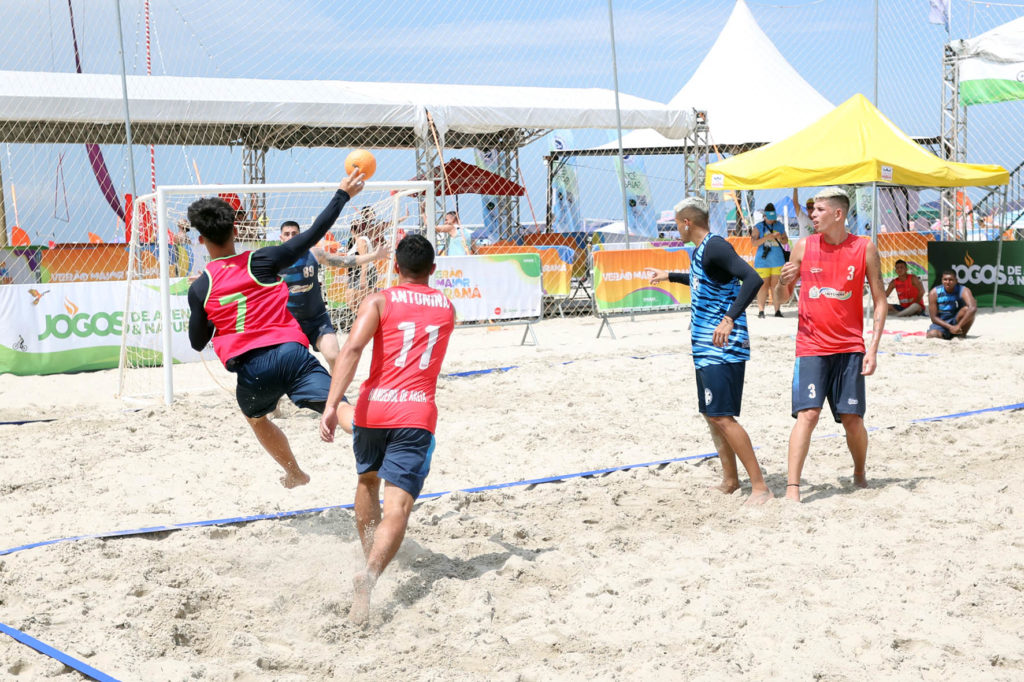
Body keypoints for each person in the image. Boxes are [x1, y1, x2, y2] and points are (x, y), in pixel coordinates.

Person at [186, 169, 365, 488]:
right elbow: (311, 235)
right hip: (293, 354)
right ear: (235, 230)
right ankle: (372, 434)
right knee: (338, 406)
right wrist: (342, 193)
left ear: (200, 239)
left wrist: (207, 307)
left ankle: (295, 472)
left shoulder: (201, 287)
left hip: (253, 371)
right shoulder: (262, 260)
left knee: (255, 418)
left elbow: (197, 342)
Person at [320, 234, 456, 625]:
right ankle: (371, 574)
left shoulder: (380, 300)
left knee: (367, 481)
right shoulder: (447, 309)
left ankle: (369, 554)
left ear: (395, 267)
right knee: (398, 506)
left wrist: (331, 406)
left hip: (374, 408)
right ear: (433, 269)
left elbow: (351, 350)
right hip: (415, 412)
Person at [646, 196, 772, 505]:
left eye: (676, 224)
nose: (675, 229)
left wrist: (729, 318)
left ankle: (760, 487)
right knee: (711, 415)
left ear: (687, 222)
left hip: (724, 347)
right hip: (705, 346)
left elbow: (752, 278)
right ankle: (731, 480)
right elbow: (705, 281)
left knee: (723, 417)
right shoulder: (703, 252)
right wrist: (670, 276)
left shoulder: (716, 246)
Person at [775, 187, 888, 503]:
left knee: (852, 420)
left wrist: (873, 349)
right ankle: (793, 489)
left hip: (850, 347)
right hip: (811, 346)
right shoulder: (802, 247)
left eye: (819, 209)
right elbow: (779, 301)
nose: (812, 214)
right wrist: (785, 283)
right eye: (812, 209)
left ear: (838, 214)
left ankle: (860, 471)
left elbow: (880, 302)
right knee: (807, 415)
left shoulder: (864, 248)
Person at [279, 219, 387, 369]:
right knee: (291, 365)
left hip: (317, 320)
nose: (291, 237)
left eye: (294, 233)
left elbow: (345, 261)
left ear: (300, 235)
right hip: (290, 322)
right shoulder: (275, 260)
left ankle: (334, 392)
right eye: (287, 234)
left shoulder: (314, 254)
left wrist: (373, 256)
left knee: (335, 357)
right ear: (281, 238)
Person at [750, 202, 789, 318]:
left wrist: (781, 237)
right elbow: (753, 243)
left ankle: (777, 310)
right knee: (763, 286)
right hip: (763, 261)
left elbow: (785, 241)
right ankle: (761, 311)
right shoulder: (758, 227)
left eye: (773, 219)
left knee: (775, 286)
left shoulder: (779, 225)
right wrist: (768, 237)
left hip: (777, 260)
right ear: (764, 216)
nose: (772, 221)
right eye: (770, 219)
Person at [927, 270, 977, 339]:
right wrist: (950, 327)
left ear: (956, 281)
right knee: (932, 335)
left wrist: (958, 326)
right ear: (942, 280)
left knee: (967, 310)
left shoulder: (963, 290)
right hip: (942, 322)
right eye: (945, 279)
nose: (947, 282)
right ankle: (947, 334)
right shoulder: (934, 293)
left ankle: (960, 335)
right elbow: (934, 318)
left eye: (951, 280)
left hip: (957, 320)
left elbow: (973, 308)